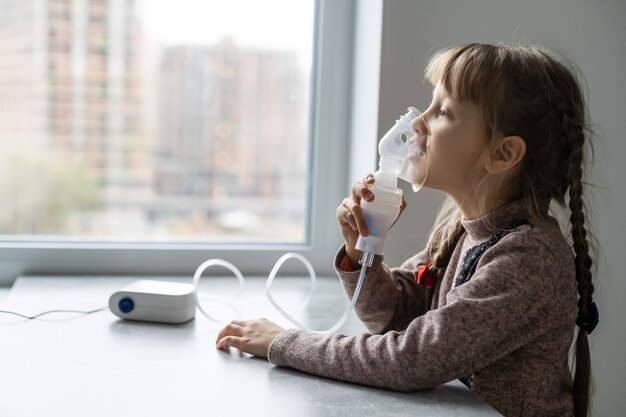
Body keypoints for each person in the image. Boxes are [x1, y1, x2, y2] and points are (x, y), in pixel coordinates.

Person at [215, 43, 598, 417]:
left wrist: (286, 343)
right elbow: (393, 314)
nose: (416, 123)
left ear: (503, 154)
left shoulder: (528, 258)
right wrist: (364, 250)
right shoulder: (461, 230)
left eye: (443, 112)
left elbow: (411, 359)